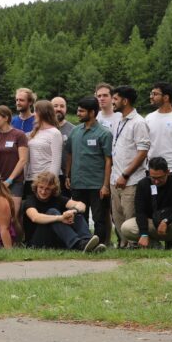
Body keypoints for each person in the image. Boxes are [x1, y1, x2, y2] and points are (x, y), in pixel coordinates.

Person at [64, 97, 113, 245]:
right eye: (78, 110)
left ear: (92, 113)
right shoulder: (75, 131)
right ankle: (83, 243)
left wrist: (105, 185)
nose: (78, 113)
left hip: (97, 184)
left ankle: (100, 244)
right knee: (79, 216)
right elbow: (69, 154)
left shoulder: (104, 133)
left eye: (81, 111)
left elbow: (108, 160)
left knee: (99, 218)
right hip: (78, 183)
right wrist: (67, 175)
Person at [121, 157, 172, 248]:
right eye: (153, 178)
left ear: (168, 172)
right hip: (152, 224)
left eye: (160, 178)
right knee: (126, 227)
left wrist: (166, 221)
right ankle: (154, 245)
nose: (156, 181)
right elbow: (140, 211)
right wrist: (144, 233)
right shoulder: (143, 184)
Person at [110, 85, 151, 247]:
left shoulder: (139, 122)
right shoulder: (118, 120)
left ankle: (134, 246)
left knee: (130, 217)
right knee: (117, 216)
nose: (112, 102)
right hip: (115, 178)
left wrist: (125, 175)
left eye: (115, 99)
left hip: (131, 180)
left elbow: (142, 152)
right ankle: (123, 245)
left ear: (125, 101)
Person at [23, 171, 102, 252]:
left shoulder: (57, 198)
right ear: (36, 186)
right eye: (41, 187)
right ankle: (78, 244)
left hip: (55, 240)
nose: (43, 192)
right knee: (52, 212)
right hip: (37, 242)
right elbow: (35, 217)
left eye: (47, 189)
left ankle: (87, 241)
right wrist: (61, 218)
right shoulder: (30, 200)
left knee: (75, 214)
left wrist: (73, 211)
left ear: (53, 189)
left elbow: (81, 205)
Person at [0, 105, 29, 208]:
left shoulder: (19, 135)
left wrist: (10, 180)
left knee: (13, 214)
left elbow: (23, 159)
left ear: (6, 118)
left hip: (15, 182)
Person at [24, 100, 62, 200]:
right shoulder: (34, 132)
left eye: (35, 111)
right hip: (31, 179)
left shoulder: (55, 133)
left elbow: (56, 160)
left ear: (42, 113)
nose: (33, 114)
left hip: (46, 181)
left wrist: (51, 182)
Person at [51, 96, 74, 190]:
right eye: (55, 106)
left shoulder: (73, 129)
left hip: (66, 176)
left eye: (62, 106)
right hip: (47, 175)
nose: (59, 109)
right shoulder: (43, 128)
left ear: (66, 109)